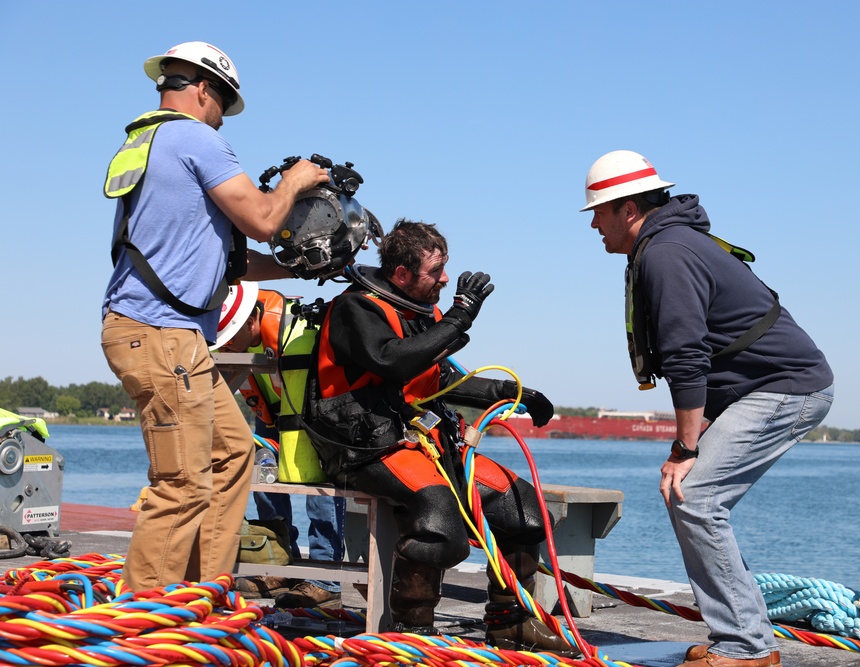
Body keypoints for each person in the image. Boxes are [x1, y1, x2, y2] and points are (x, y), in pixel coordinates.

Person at [580, 150, 834, 667]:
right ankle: (743, 636)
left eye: (598, 212)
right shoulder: (667, 244)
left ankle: (744, 645)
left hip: (787, 386)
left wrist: (685, 446)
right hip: (766, 386)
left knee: (693, 494)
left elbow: (686, 355)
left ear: (628, 209)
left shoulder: (666, 253)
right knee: (692, 497)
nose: (594, 225)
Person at [101, 41, 330, 593]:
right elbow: (260, 218)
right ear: (204, 90)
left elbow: (229, 261)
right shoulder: (198, 139)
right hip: (163, 335)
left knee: (233, 454)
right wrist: (296, 181)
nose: (222, 118)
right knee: (181, 484)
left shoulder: (150, 142)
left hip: (157, 334)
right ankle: (142, 621)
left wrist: (296, 269)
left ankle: (202, 592)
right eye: (223, 105)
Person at [308, 220, 573, 654]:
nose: (446, 279)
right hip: (364, 447)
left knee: (523, 508)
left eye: (446, 268)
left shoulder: (422, 315)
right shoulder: (356, 309)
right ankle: (412, 635)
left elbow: (441, 378)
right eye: (436, 271)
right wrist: (459, 318)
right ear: (401, 275)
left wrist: (511, 391)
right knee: (438, 514)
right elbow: (391, 361)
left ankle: (510, 625)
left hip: (421, 443)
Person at [212, 281, 346, 608]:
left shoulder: (297, 328)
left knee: (318, 492)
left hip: (313, 417)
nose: (227, 349)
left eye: (230, 341)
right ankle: (278, 563)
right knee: (263, 482)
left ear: (252, 321)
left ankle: (324, 577)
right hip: (272, 417)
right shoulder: (243, 341)